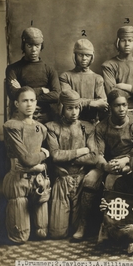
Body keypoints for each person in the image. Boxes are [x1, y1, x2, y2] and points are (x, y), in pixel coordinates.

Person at [46, 89, 99, 240]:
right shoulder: (51, 127)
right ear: (61, 107)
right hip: (62, 180)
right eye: (70, 108)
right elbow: (55, 155)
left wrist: (69, 158)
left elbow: (94, 157)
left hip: (81, 179)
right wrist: (81, 150)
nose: (74, 112)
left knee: (79, 229)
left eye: (76, 107)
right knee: (57, 233)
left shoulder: (87, 127)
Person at [2, 86, 51, 243]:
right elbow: (27, 159)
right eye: (24, 101)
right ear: (17, 104)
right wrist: (44, 154)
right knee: (20, 237)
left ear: (36, 103)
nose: (29, 104)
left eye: (32, 100)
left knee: (42, 233)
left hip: (38, 179)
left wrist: (40, 167)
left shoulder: (41, 128)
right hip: (19, 180)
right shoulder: (12, 126)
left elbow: (34, 160)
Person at [94, 89, 133, 190]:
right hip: (112, 164)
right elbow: (99, 154)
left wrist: (125, 160)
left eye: (124, 105)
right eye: (117, 105)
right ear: (110, 107)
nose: (122, 109)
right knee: (96, 180)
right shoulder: (101, 127)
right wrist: (106, 166)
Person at [5, 27, 60, 123]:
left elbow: (56, 95)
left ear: (41, 46)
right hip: (20, 119)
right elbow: (13, 94)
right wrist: (41, 90)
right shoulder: (12, 69)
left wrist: (24, 96)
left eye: (37, 45)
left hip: (44, 117)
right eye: (29, 45)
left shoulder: (50, 70)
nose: (34, 49)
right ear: (23, 45)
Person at [101, 26, 133, 117]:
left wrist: (124, 86)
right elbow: (112, 94)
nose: (127, 44)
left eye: (130, 40)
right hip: (116, 114)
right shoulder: (108, 65)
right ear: (118, 42)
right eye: (123, 40)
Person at [59, 38, 108, 124]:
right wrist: (92, 103)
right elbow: (68, 100)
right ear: (75, 56)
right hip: (70, 122)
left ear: (92, 57)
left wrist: (87, 103)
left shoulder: (97, 78)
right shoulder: (65, 76)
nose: (84, 58)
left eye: (87, 55)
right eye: (80, 55)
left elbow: (102, 104)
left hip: (92, 122)